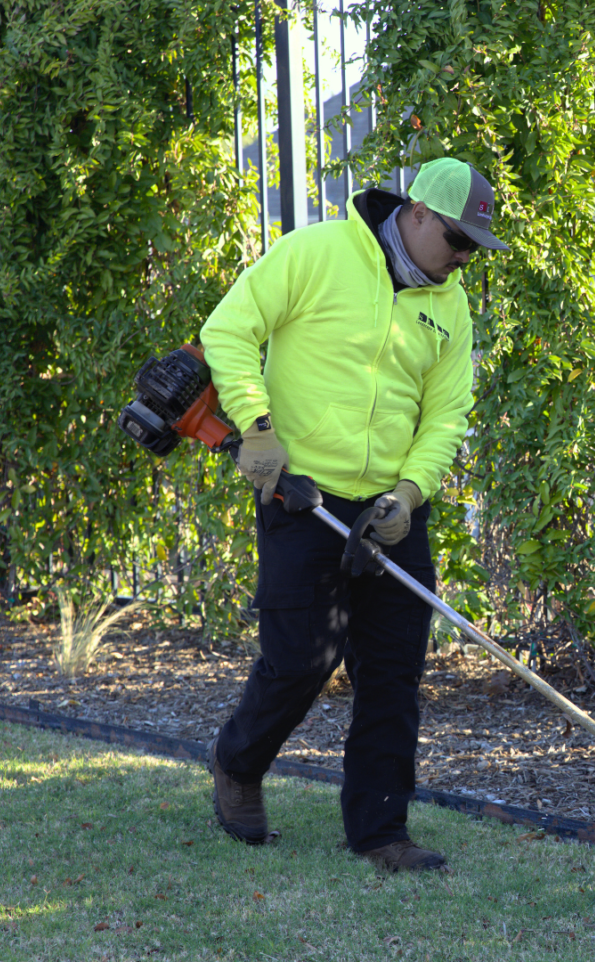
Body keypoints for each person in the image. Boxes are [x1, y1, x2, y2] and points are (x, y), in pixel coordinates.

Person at [198, 157, 508, 873]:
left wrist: (409, 494)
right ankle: (237, 762)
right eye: (458, 240)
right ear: (420, 213)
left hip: (390, 509)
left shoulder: (448, 306)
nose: (463, 259)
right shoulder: (317, 253)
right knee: (302, 660)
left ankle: (380, 832)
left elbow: (447, 413)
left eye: (474, 250)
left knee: (395, 670)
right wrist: (257, 426)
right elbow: (230, 330)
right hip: (299, 492)